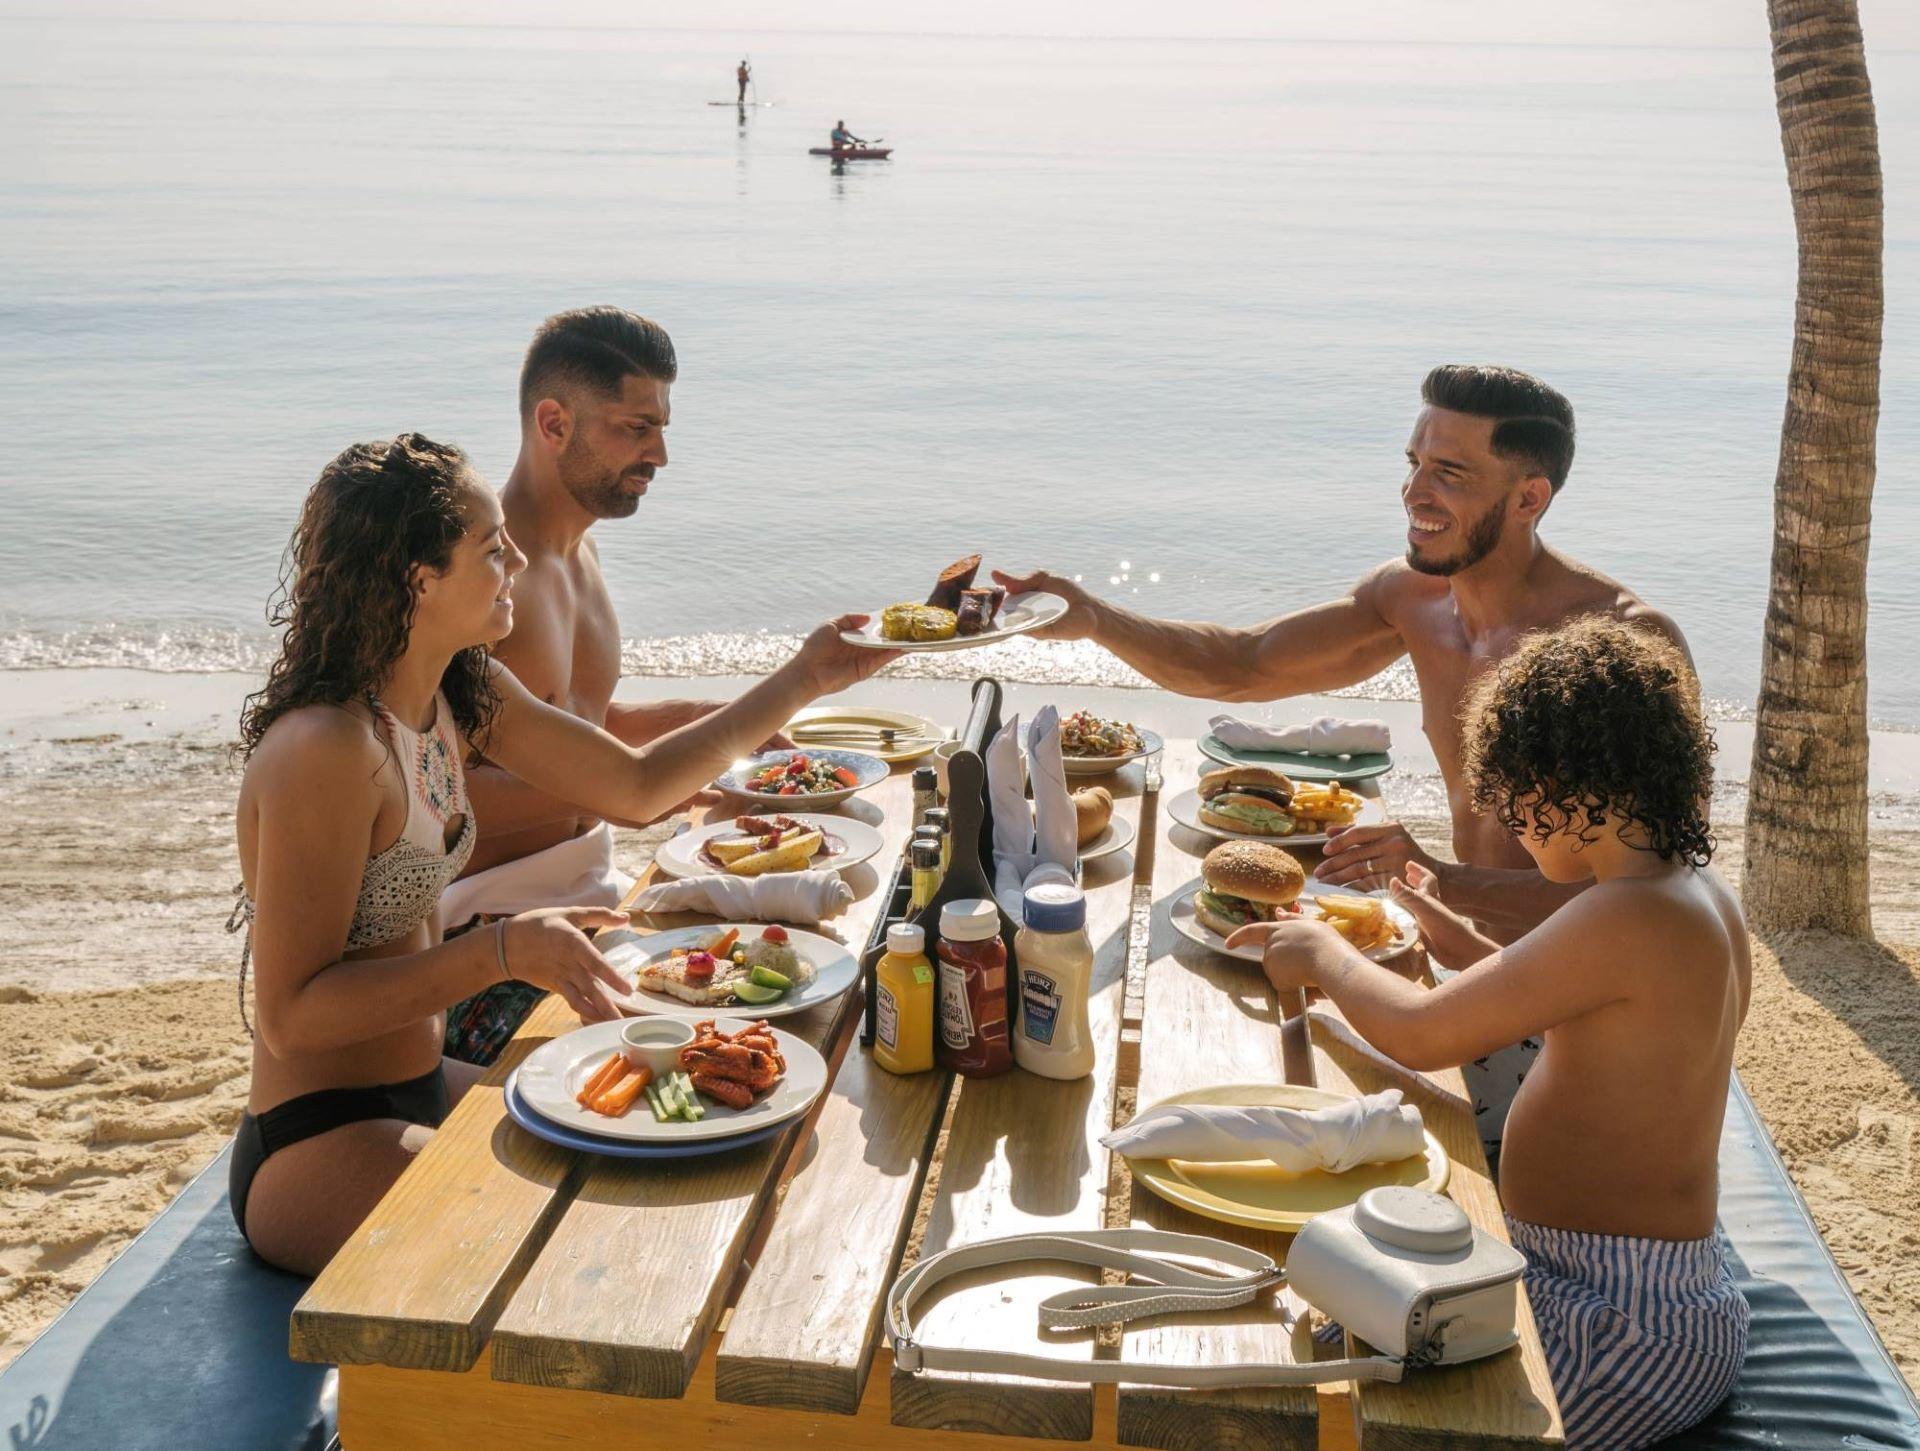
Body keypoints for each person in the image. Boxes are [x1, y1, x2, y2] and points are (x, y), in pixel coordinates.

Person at [227, 433, 894, 1274]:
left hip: (428, 1080)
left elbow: (640, 785)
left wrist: (806, 675)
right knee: (580, 1248)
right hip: (318, 1137)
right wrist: (502, 950)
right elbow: (290, 1016)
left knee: (670, 1160)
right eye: (488, 546)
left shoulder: (458, 693)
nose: (515, 558)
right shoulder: (321, 749)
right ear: (418, 578)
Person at [996, 365, 1691, 1152]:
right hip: (1468, 961)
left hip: (1579, 1017)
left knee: (1307, 1093)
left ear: (1530, 497)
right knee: (1245, 1054)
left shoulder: (1617, 649)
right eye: (1413, 464)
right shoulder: (1415, 600)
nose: (1414, 493)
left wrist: (1441, 878)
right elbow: (1246, 664)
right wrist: (1095, 619)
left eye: (1450, 473)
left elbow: (1650, 895)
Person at [1229, 618, 1748, 1449]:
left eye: (1516, 800)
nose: (1510, 823)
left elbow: (1422, 1031)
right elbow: (1579, 1001)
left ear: (1569, 785)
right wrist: (1455, 939)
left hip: (1616, 1316)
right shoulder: (1689, 895)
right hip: (1663, 1288)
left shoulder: (1627, 914)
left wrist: (1323, 953)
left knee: (1362, 1373)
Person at [437, 308, 787, 1066]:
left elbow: (575, 721)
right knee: (702, 1056)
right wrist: (639, 787)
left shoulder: (579, 554)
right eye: (636, 428)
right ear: (554, 422)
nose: (659, 452)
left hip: (597, 894)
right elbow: (441, 795)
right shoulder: (485, 584)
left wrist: (705, 720)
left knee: (784, 985)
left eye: (660, 427)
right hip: (492, 934)